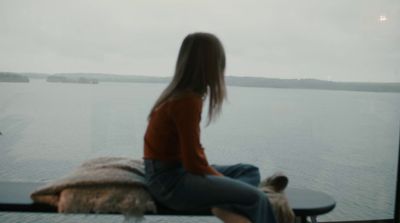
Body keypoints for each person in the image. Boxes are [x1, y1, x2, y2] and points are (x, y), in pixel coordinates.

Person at [143, 32, 277, 223]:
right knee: (258, 198)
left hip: (170, 173)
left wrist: (222, 184)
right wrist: (224, 182)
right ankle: (226, 201)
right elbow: (194, 164)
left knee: (249, 171)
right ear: (211, 65)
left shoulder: (181, 95)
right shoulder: (186, 101)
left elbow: (192, 157)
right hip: (170, 184)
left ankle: (225, 203)